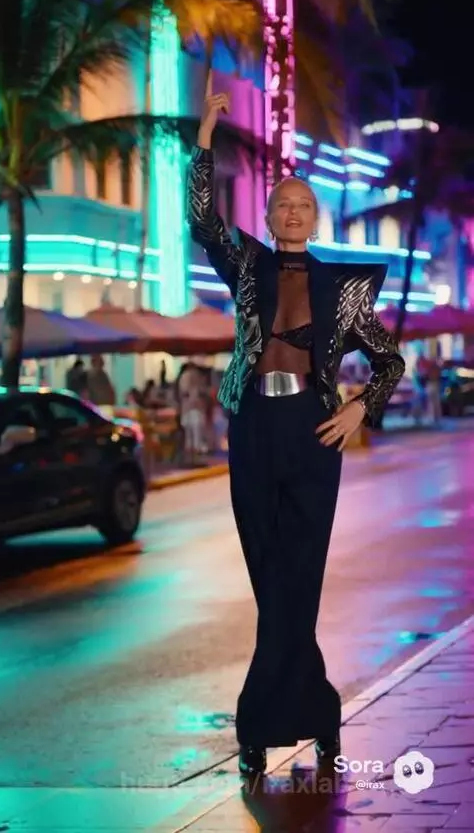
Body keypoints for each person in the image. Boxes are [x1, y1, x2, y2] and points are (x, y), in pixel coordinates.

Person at [187, 75, 405, 777]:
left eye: (302, 205)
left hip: (314, 436)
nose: (291, 212)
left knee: (300, 579)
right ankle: (313, 711)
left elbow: (389, 359)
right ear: (271, 212)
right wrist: (205, 138)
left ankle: (266, 721)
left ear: (315, 218)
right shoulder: (246, 263)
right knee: (269, 574)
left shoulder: (341, 292)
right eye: (281, 203)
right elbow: (202, 220)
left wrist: (357, 407)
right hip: (254, 427)